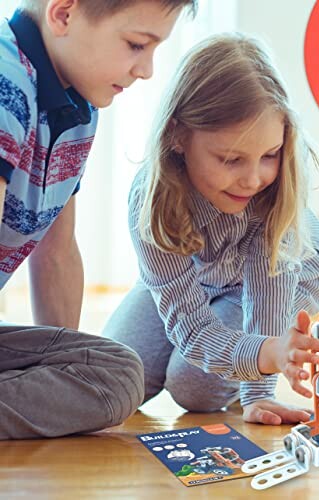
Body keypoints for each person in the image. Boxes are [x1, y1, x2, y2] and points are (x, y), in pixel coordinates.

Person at [103, 33, 319, 426]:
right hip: (197, 273)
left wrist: (259, 386)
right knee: (115, 377)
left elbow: (266, 301)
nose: (252, 178)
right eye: (231, 159)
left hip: (270, 281)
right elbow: (191, 327)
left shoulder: (269, 201)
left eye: (270, 155)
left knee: (193, 390)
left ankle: (228, 367)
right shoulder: (151, 198)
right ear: (178, 136)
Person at [0, 0, 197, 439]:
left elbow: (57, 252)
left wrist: (59, 360)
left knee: (120, 370)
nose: (146, 70)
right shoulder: (5, 81)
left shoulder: (78, 110)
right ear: (63, 14)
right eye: (135, 45)